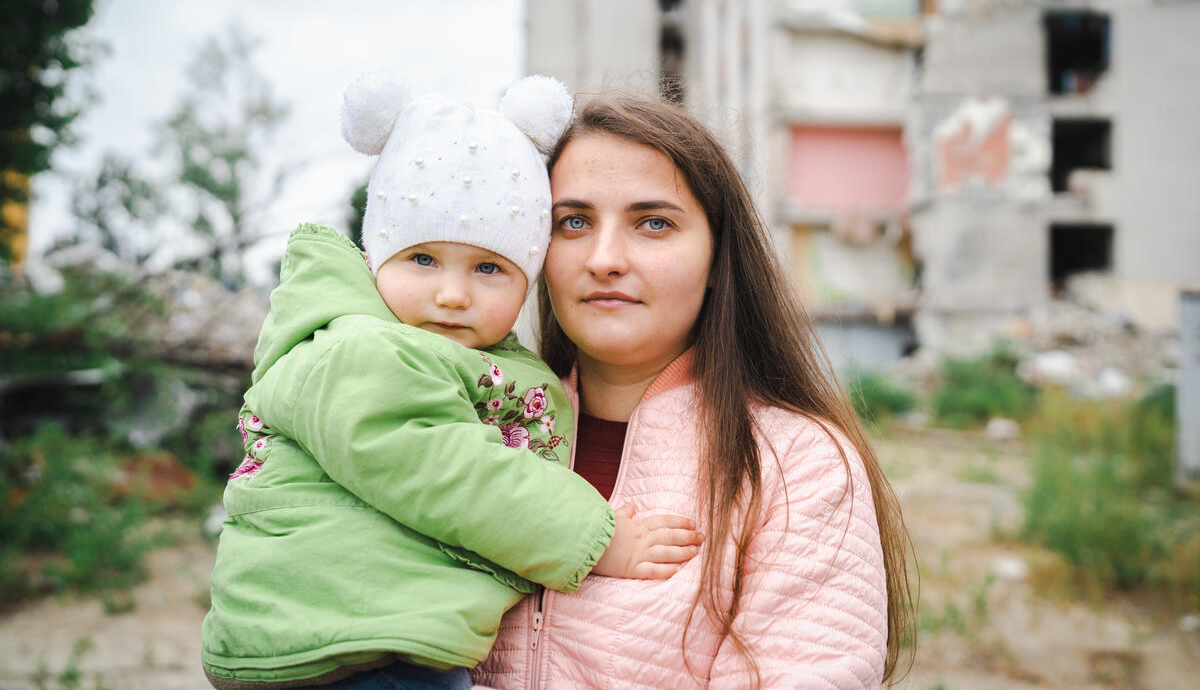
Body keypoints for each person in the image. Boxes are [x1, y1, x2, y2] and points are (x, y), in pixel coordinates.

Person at [200, 76, 702, 690]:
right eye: (422, 259)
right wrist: (595, 539)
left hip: (377, 638)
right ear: (376, 255)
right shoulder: (358, 349)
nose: (452, 294)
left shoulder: (454, 353)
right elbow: (449, 470)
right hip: (346, 644)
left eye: (489, 267)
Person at [473, 94, 916, 689]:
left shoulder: (800, 464)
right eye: (572, 222)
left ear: (716, 258)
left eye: (653, 223)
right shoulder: (466, 434)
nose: (604, 259)